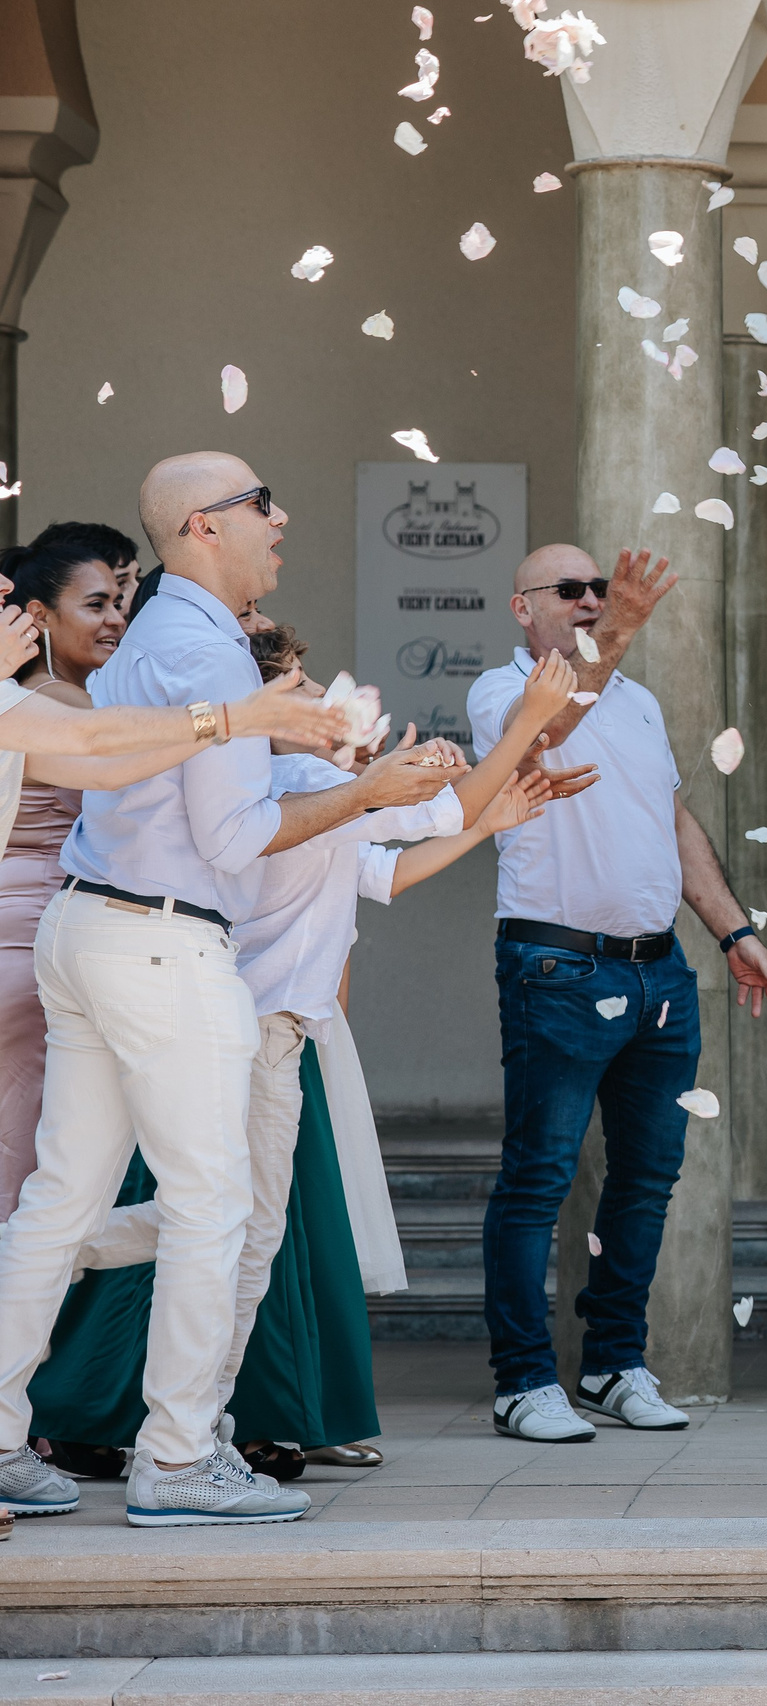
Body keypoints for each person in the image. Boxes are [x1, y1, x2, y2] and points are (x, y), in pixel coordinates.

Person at [0, 453, 434, 1528]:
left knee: (61, 1200)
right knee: (215, 1203)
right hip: (161, 941)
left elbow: (111, 759)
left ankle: (1, 1435)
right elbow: (235, 840)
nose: (279, 521)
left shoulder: (154, 634)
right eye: (262, 503)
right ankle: (180, 1454)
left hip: (87, 925)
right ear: (204, 526)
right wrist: (366, 792)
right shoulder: (209, 650)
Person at [31, 631, 577, 1479]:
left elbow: (385, 873)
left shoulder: (306, 789)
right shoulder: (296, 780)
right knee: (242, 1235)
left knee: (233, 1226)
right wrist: (530, 720)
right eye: (303, 687)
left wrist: (484, 814)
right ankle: (188, 1426)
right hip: (255, 1027)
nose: (326, 698)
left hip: (267, 1028)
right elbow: (447, 807)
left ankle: (69, 1260)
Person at [467, 544, 767, 1444]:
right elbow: (549, 733)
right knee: (540, 1177)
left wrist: (734, 930)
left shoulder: (638, 701)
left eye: (597, 590)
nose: (589, 601)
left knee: (647, 1179)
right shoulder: (503, 690)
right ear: (522, 610)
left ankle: (613, 1363)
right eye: (567, 591)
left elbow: (672, 821)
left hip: (659, 969)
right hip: (557, 966)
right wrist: (618, 630)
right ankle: (523, 1381)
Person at [0, 525, 142, 1218]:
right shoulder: (64, 703)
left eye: (121, 600)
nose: (116, 616)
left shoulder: (40, 697)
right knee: (29, 1150)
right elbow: (130, 782)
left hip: (24, 934)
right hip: (33, 944)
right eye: (97, 604)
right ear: (39, 617)